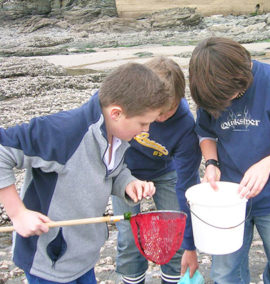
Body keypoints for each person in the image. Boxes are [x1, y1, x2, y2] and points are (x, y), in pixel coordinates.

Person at [0, 62, 170, 283]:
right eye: (143, 123)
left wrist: (128, 183)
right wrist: (18, 213)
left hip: (85, 256)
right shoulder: (64, 132)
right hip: (49, 261)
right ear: (116, 113)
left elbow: (112, 172)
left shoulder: (116, 134)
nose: (146, 130)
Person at [188, 37, 270, 284]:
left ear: (241, 76)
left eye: (228, 98)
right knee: (225, 273)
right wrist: (212, 164)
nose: (224, 104)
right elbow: (206, 133)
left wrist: (266, 165)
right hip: (228, 199)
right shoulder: (209, 88)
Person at [112, 57, 202, 284]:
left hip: (165, 173)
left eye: (166, 112)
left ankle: (172, 278)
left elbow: (187, 184)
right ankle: (132, 278)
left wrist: (190, 244)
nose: (158, 119)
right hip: (124, 171)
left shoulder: (185, 127)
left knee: (174, 232)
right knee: (129, 235)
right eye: (153, 112)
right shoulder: (122, 103)